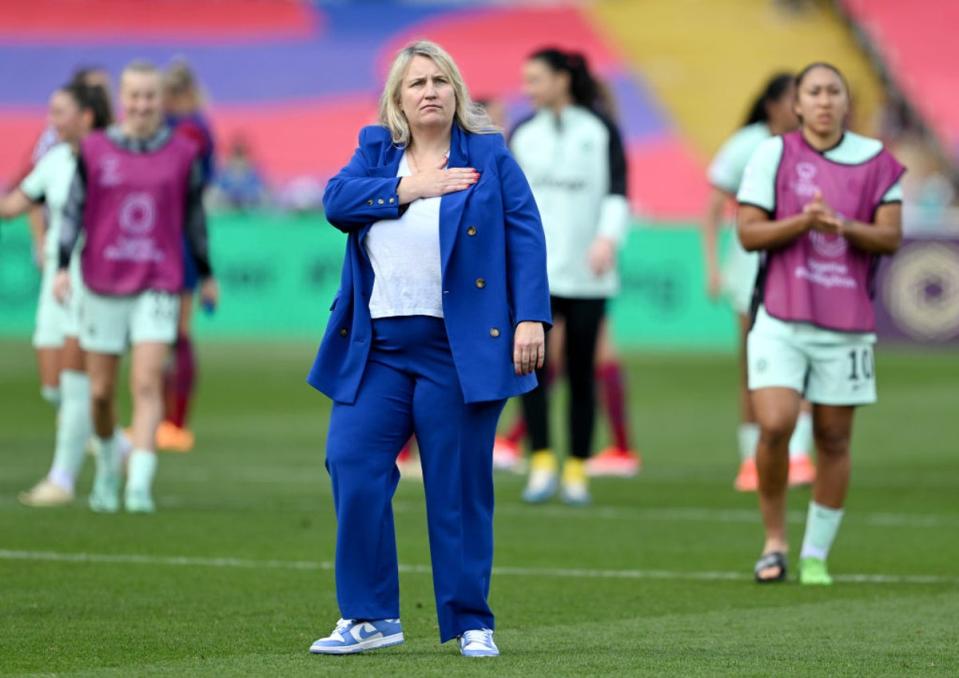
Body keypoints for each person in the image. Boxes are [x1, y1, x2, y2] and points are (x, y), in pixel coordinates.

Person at [306, 40, 549, 657]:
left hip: (457, 351)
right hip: (378, 349)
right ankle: (370, 616)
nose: (430, 91)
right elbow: (336, 203)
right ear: (397, 100)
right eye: (417, 83)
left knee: (457, 487)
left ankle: (472, 621)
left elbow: (525, 236)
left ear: (457, 92)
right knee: (351, 464)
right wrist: (415, 187)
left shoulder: (489, 155)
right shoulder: (374, 153)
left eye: (441, 80)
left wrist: (531, 319)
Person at [737, 63, 904, 584]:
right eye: (814, 92)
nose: (825, 101)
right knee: (776, 423)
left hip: (846, 323)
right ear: (798, 105)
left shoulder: (876, 160)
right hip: (781, 315)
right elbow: (748, 233)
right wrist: (803, 222)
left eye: (835, 91)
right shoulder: (773, 153)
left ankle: (814, 554)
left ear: (846, 103)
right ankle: (774, 542)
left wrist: (845, 226)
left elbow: (891, 238)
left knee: (833, 438)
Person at [56, 60, 218, 513]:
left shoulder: (182, 153)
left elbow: (194, 219)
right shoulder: (93, 149)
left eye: (150, 96)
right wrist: (63, 265)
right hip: (102, 280)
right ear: (122, 100)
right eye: (135, 96)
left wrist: (205, 273)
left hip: (158, 280)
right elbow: (73, 210)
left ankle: (139, 485)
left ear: (160, 100)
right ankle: (109, 468)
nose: (143, 104)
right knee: (101, 393)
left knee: (146, 382)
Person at [509, 48, 630, 504]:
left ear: (562, 79)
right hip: (534, 275)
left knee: (582, 373)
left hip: (588, 274)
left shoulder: (599, 131)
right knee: (532, 369)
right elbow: (507, 199)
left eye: (536, 77)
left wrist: (607, 239)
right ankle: (541, 461)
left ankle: (576, 468)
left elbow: (618, 192)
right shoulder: (523, 133)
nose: (528, 87)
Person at [700, 73, 817, 492]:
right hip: (750, 270)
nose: (800, 107)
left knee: (802, 362)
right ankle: (752, 459)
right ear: (771, 105)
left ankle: (798, 456)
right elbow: (713, 208)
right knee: (753, 367)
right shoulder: (746, 145)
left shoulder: (814, 145)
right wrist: (713, 266)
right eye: (793, 99)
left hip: (803, 272)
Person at [0, 83, 114, 506]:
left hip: (90, 279)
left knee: (74, 379)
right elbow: (14, 205)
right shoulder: (55, 159)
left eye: (59, 111)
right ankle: (115, 447)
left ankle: (62, 480)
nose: (52, 120)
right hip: (56, 279)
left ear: (85, 116)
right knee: (54, 387)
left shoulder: (109, 159)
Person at [158, 58, 217, 453]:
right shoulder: (192, 126)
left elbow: (187, 189)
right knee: (165, 335)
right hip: (167, 235)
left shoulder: (188, 129)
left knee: (174, 334)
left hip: (174, 237)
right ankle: (165, 420)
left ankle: (174, 422)